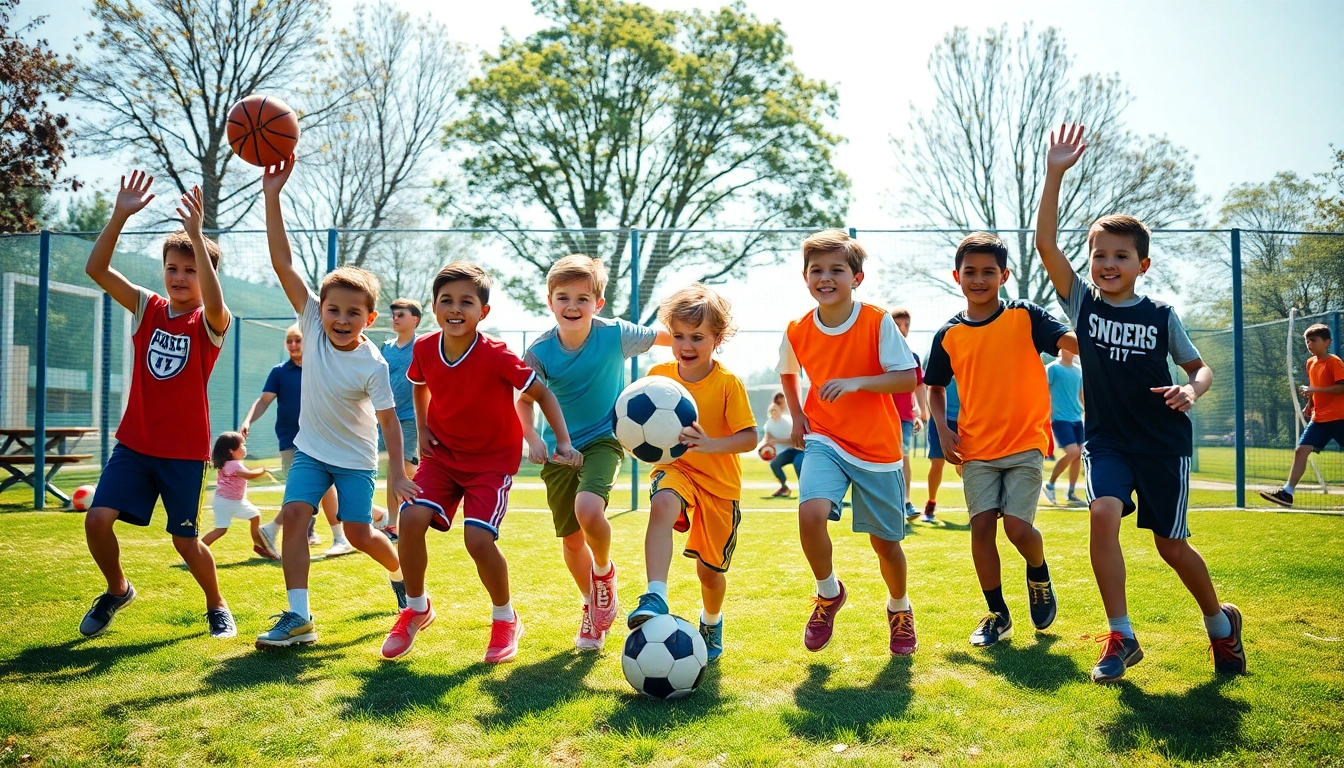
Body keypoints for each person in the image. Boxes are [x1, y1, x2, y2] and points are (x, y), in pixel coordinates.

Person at [1038, 122, 1244, 681]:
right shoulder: (1083, 304)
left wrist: (1191, 390)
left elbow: (1200, 368)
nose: (1108, 263)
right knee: (1102, 512)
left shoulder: (1160, 316)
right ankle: (1121, 635)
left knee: (1171, 547)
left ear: (1141, 265)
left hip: (1161, 443)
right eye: (1099, 254)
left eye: (1121, 256)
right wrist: (1055, 172)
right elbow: (1046, 245)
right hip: (1108, 440)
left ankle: (1221, 626)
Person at [255, 155, 417, 650]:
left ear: (370, 318)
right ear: (318, 311)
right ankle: (299, 616)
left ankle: (399, 573)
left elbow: (390, 421)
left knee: (359, 532)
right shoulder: (310, 326)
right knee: (297, 517)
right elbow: (282, 263)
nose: (340, 319)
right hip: (309, 451)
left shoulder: (372, 363)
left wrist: (394, 474)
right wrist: (272, 195)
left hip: (353, 460)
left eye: (352, 312)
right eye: (333, 310)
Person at [384, 262, 580, 663]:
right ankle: (417, 608)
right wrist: (421, 431)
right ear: (435, 307)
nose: (456, 308)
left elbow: (542, 394)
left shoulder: (495, 355)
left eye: (466, 302)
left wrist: (561, 440)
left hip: (490, 464)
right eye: (447, 301)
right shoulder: (423, 348)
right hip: (442, 459)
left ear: (482, 312)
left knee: (477, 540)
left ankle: (506, 619)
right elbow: (420, 388)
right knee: (410, 521)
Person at [79, 171, 236, 639]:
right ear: (162, 270)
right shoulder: (147, 306)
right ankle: (117, 589)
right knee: (97, 520)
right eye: (173, 268)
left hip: (184, 451)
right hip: (136, 444)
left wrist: (195, 236)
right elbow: (97, 270)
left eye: (190, 269)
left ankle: (217, 604)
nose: (180, 276)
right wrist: (119, 216)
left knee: (185, 540)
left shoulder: (211, 320)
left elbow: (214, 300)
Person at [925, 233, 1074, 648]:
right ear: (957, 276)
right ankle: (998, 615)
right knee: (980, 528)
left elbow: (1069, 342)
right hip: (975, 450)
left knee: (1017, 528)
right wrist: (942, 427)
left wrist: (1105, 338)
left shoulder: (1025, 315)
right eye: (970, 271)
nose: (978, 279)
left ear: (1004, 275)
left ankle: (1038, 572)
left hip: (1025, 442)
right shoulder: (948, 333)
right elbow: (934, 387)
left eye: (988, 271)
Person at [777, 229, 920, 656]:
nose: (825, 277)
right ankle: (828, 592)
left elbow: (908, 377)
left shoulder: (876, 321)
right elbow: (789, 371)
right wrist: (800, 417)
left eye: (836, 269)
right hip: (824, 437)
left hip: (877, 450)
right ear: (805, 278)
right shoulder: (797, 329)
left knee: (886, 545)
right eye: (816, 270)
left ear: (856, 277)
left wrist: (858, 383)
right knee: (810, 513)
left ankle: (899, 607)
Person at [518, 254, 667, 651]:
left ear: (597, 304)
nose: (572, 305)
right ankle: (591, 608)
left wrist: (701, 341)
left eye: (583, 298)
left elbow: (670, 337)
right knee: (570, 540)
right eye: (563, 297)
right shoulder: (540, 351)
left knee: (589, 511)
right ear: (550, 302)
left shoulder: (616, 334)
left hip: (605, 438)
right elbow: (525, 400)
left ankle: (604, 573)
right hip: (558, 451)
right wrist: (533, 438)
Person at [626, 284, 757, 663]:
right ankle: (655, 593)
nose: (686, 344)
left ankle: (711, 621)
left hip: (720, 484)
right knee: (663, 504)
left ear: (718, 338)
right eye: (678, 335)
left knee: (709, 572)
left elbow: (749, 437)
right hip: (675, 469)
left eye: (697, 337)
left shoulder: (728, 383)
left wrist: (711, 444)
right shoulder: (658, 377)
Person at [242, 325, 346, 557]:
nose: (293, 345)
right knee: (305, 489)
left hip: (320, 436)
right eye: (289, 341)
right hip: (291, 441)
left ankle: (279, 530)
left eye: (297, 340)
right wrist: (248, 421)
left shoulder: (320, 368)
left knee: (318, 486)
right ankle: (332, 536)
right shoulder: (279, 372)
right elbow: (263, 401)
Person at [1261, 323, 1344, 507]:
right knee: (1300, 450)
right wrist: (1310, 403)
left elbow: (1341, 387)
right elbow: (1316, 389)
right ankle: (1287, 493)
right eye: (1307, 341)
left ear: (1327, 342)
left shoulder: (1334, 362)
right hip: (1319, 419)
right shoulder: (1310, 363)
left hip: (1339, 418)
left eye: (1313, 340)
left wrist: (1314, 390)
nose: (1309, 344)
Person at [380, 298, 424, 535]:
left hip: (411, 419)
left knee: (401, 469)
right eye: (394, 315)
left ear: (415, 320)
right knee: (396, 470)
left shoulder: (423, 346)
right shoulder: (385, 348)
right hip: (387, 419)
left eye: (401, 315)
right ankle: (392, 522)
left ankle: (395, 523)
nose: (395, 318)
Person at [203, 432, 277, 552]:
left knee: (255, 515)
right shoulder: (234, 465)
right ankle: (196, 550)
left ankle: (259, 545)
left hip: (235, 501)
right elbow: (249, 476)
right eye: (242, 445)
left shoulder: (229, 464)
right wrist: (262, 470)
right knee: (221, 530)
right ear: (231, 451)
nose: (244, 448)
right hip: (226, 503)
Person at [889, 307, 927, 522]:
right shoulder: (880, 355)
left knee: (903, 459)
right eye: (897, 325)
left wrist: (920, 412)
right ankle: (887, 503)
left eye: (906, 325)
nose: (903, 330)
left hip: (903, 419)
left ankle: (905, 502)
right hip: (880, 418)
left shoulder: (913, 357)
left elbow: (919, 385)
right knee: (881, 461)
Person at [1044, 349, 1086, 506]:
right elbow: (1042, 390)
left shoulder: (1079, 370)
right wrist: (1046, 413)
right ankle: (1050, 485)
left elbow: (1081, 396)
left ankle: (1071, 493)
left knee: (1078, 455)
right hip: (1059, 418)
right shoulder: (1053, 368)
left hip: (1076, 418)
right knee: (1073, 452)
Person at [922, 376, 960, 524]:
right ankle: (931, 503)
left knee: (968, 466)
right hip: (940, 419)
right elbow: (930, 387)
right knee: (937, 463)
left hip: (965, 418)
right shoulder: (941, 357)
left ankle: (976, 509)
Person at [763, 393, 804, 497]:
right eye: (771, 411)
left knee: (798, 464)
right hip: (788, 452)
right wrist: (765, 447)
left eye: (775, 410)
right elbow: (767, 438)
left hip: (799, 450)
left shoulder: (788, 421)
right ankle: (784, 488)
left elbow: (793, 440)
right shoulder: (769, 424)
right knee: (774, 464)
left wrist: (776, 441)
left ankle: (805, 491)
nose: (773, 413)